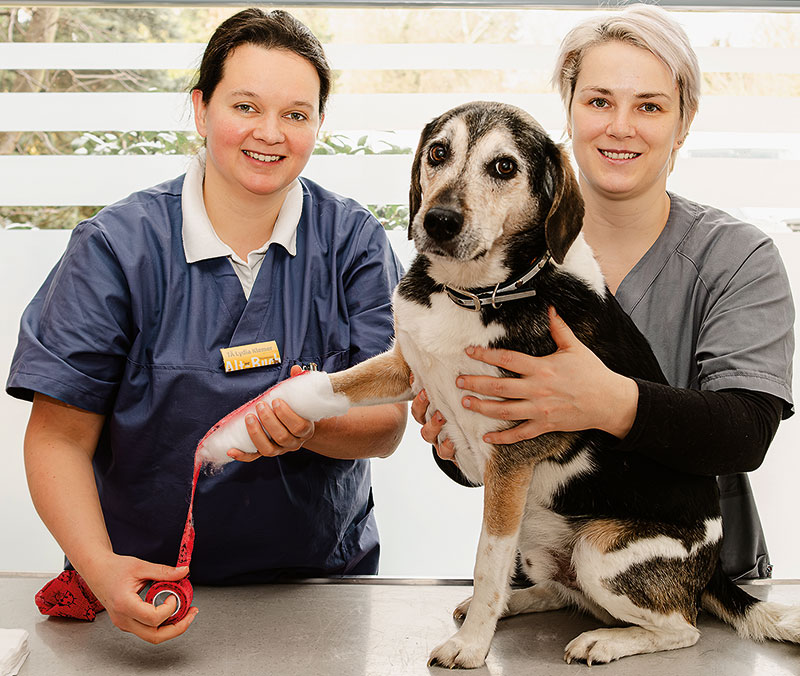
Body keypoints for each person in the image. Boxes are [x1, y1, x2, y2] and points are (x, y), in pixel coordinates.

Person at [6, 8, 405, 643]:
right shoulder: (115, 249)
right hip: (140, 590)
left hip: (318, 594)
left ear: (319, 125)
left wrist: (305, 428)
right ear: (201, 108)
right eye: (245, 106)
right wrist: (102, 572)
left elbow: (385, 426)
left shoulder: (354, 243)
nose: (269, 134)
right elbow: (57, 440)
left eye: (296, 114)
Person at [413, 3, 794, 581]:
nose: (621, 126)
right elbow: (499, 449)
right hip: (545, 576)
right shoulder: (488, 255)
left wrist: (608, 400)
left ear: (684, 123)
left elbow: (746, 432)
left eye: (650, 106)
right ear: (568, 112)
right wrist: (458, 443)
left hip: (685, 580)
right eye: (598, 101)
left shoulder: (738, 258)